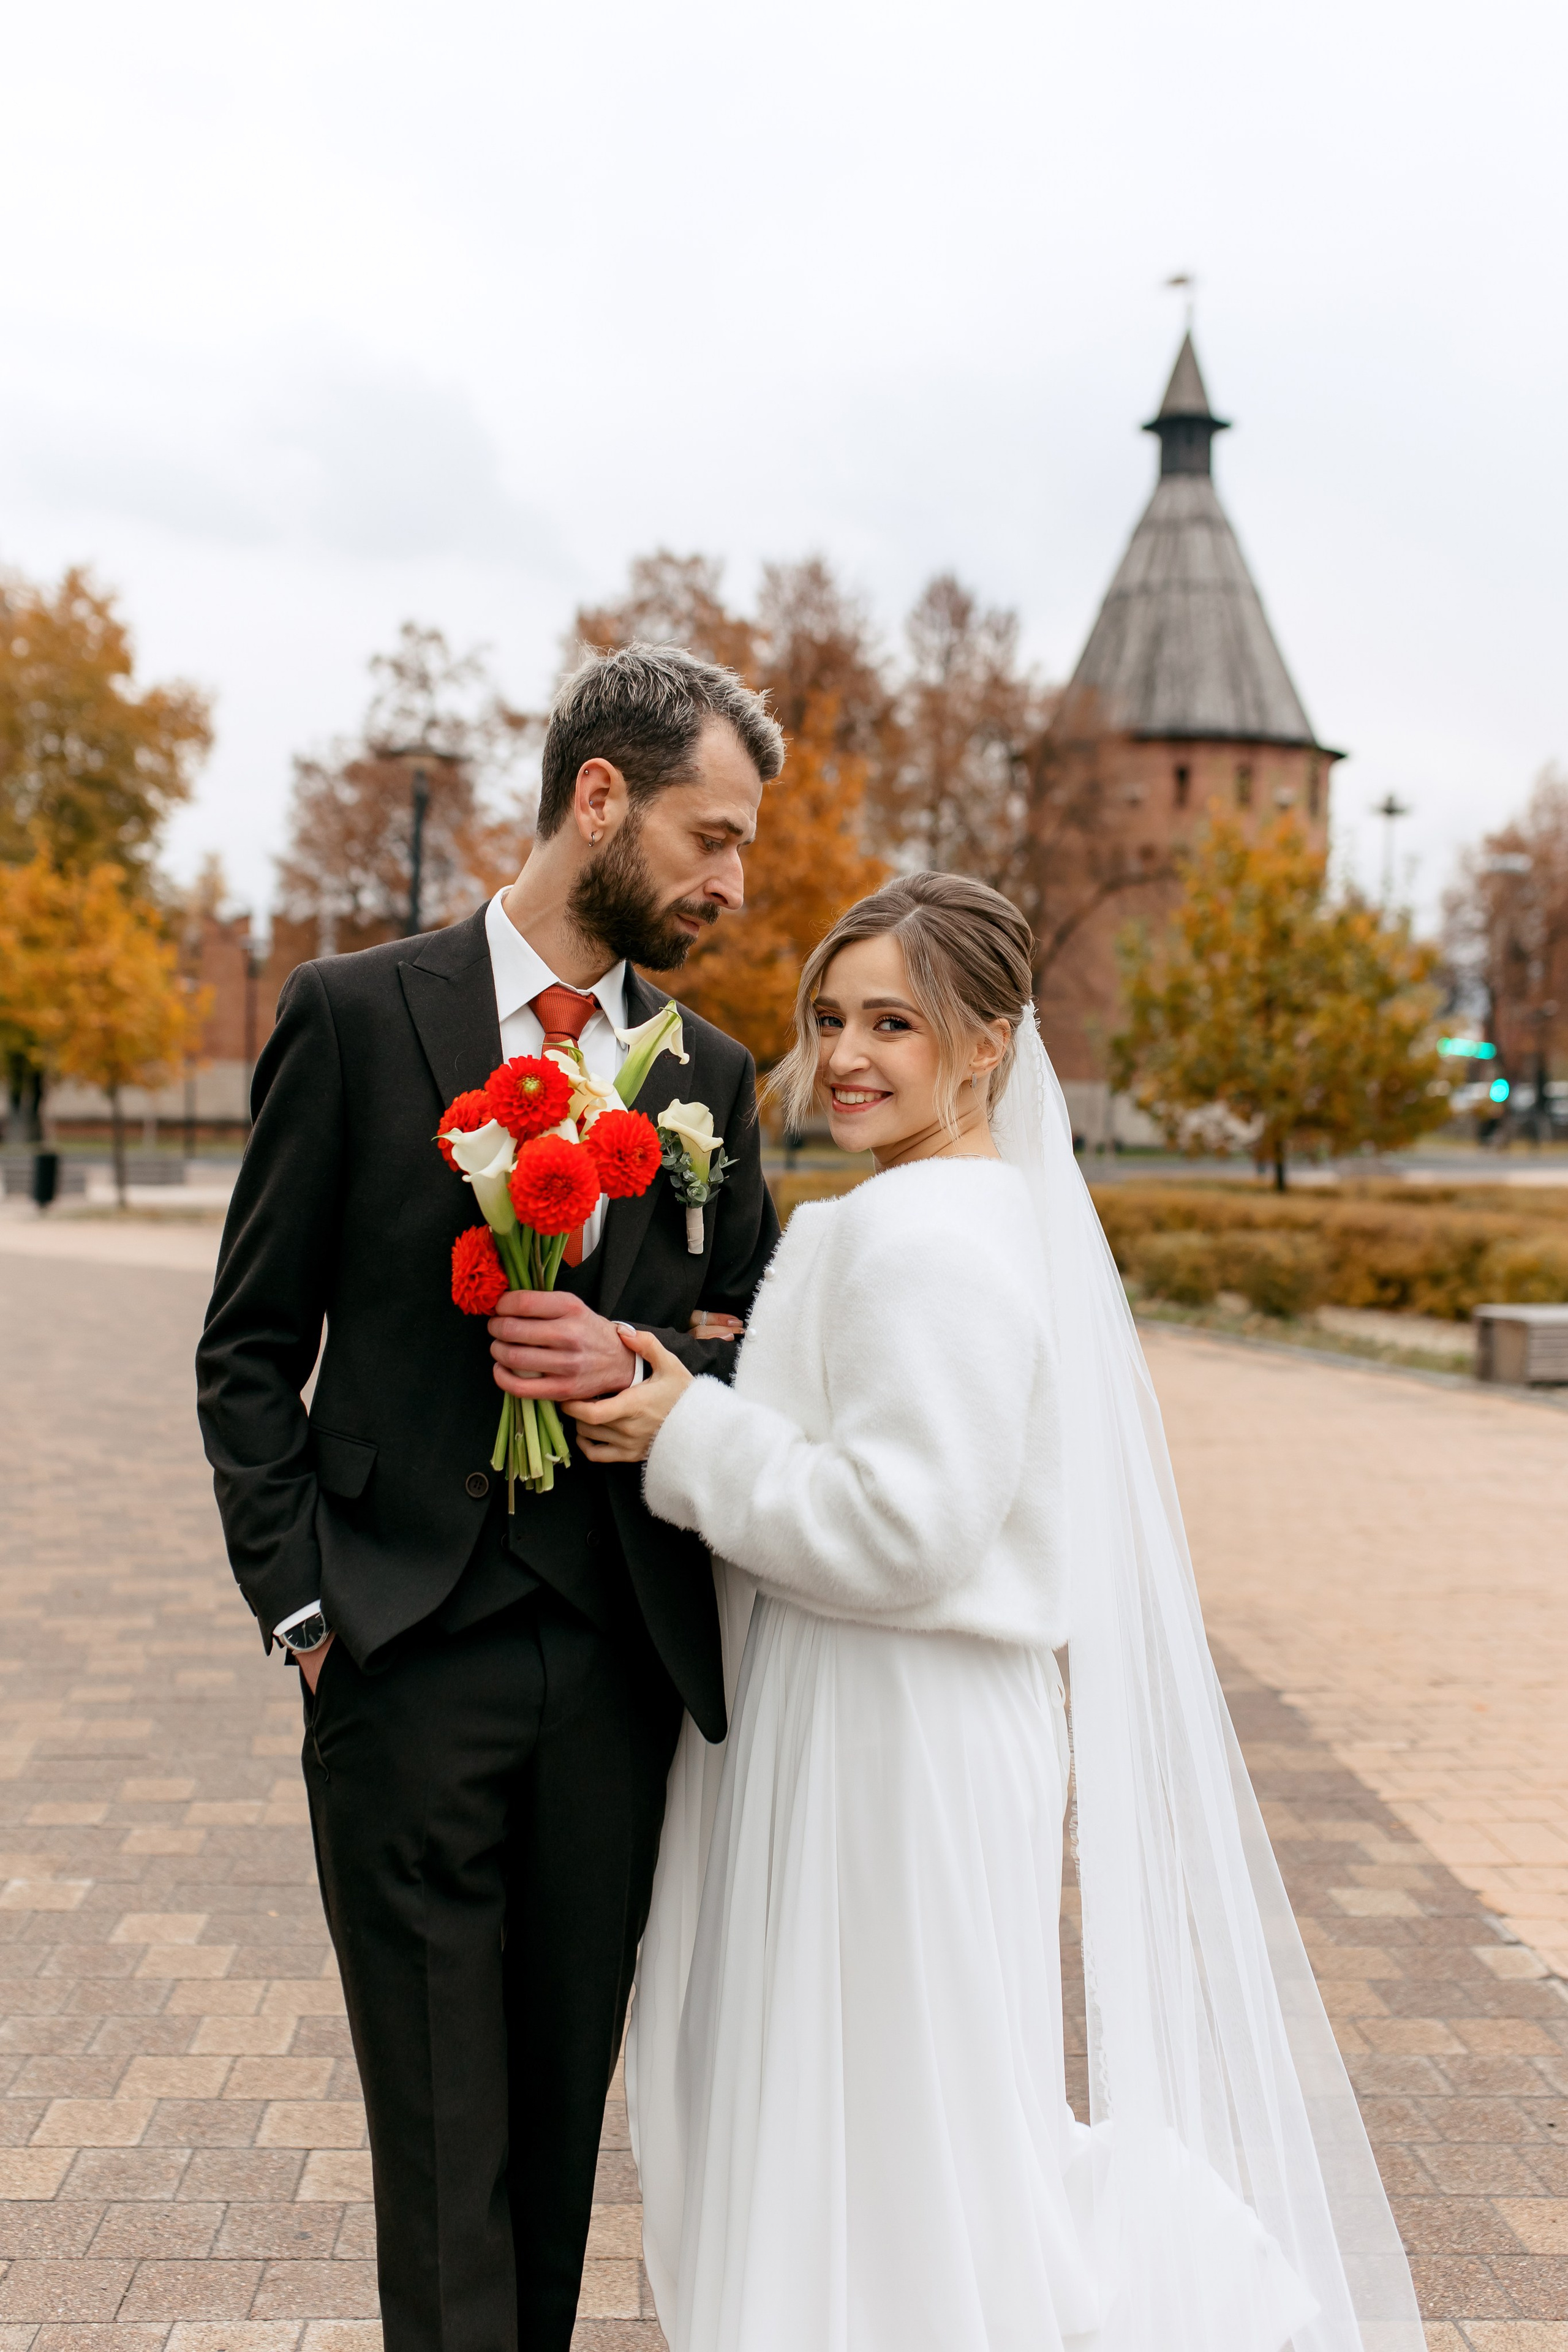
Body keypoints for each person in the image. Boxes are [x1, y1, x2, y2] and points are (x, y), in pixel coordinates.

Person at [568, 872, 1424, 2352]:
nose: (844, 1054)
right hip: (896, 1715)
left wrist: (679, 1439)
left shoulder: (928, 1240)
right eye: (829, 1017)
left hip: (891, 1723)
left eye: (892, 1022)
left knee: (892, 2114)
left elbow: (903, 1526)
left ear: (986, 1045)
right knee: (910, 2104)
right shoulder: (935, 1212)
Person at [195, 644, 784, 2352]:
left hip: (615, 1670)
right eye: (710, 834)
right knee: (443, 2154)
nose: (732, 883)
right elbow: (248, 1350)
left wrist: (636, 1364)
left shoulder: (712, 1083)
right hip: (396, 1652)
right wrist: (305, 1609)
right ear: (600, 796)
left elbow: (741, 1354)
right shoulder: (355, 1015)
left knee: (551, 2141)